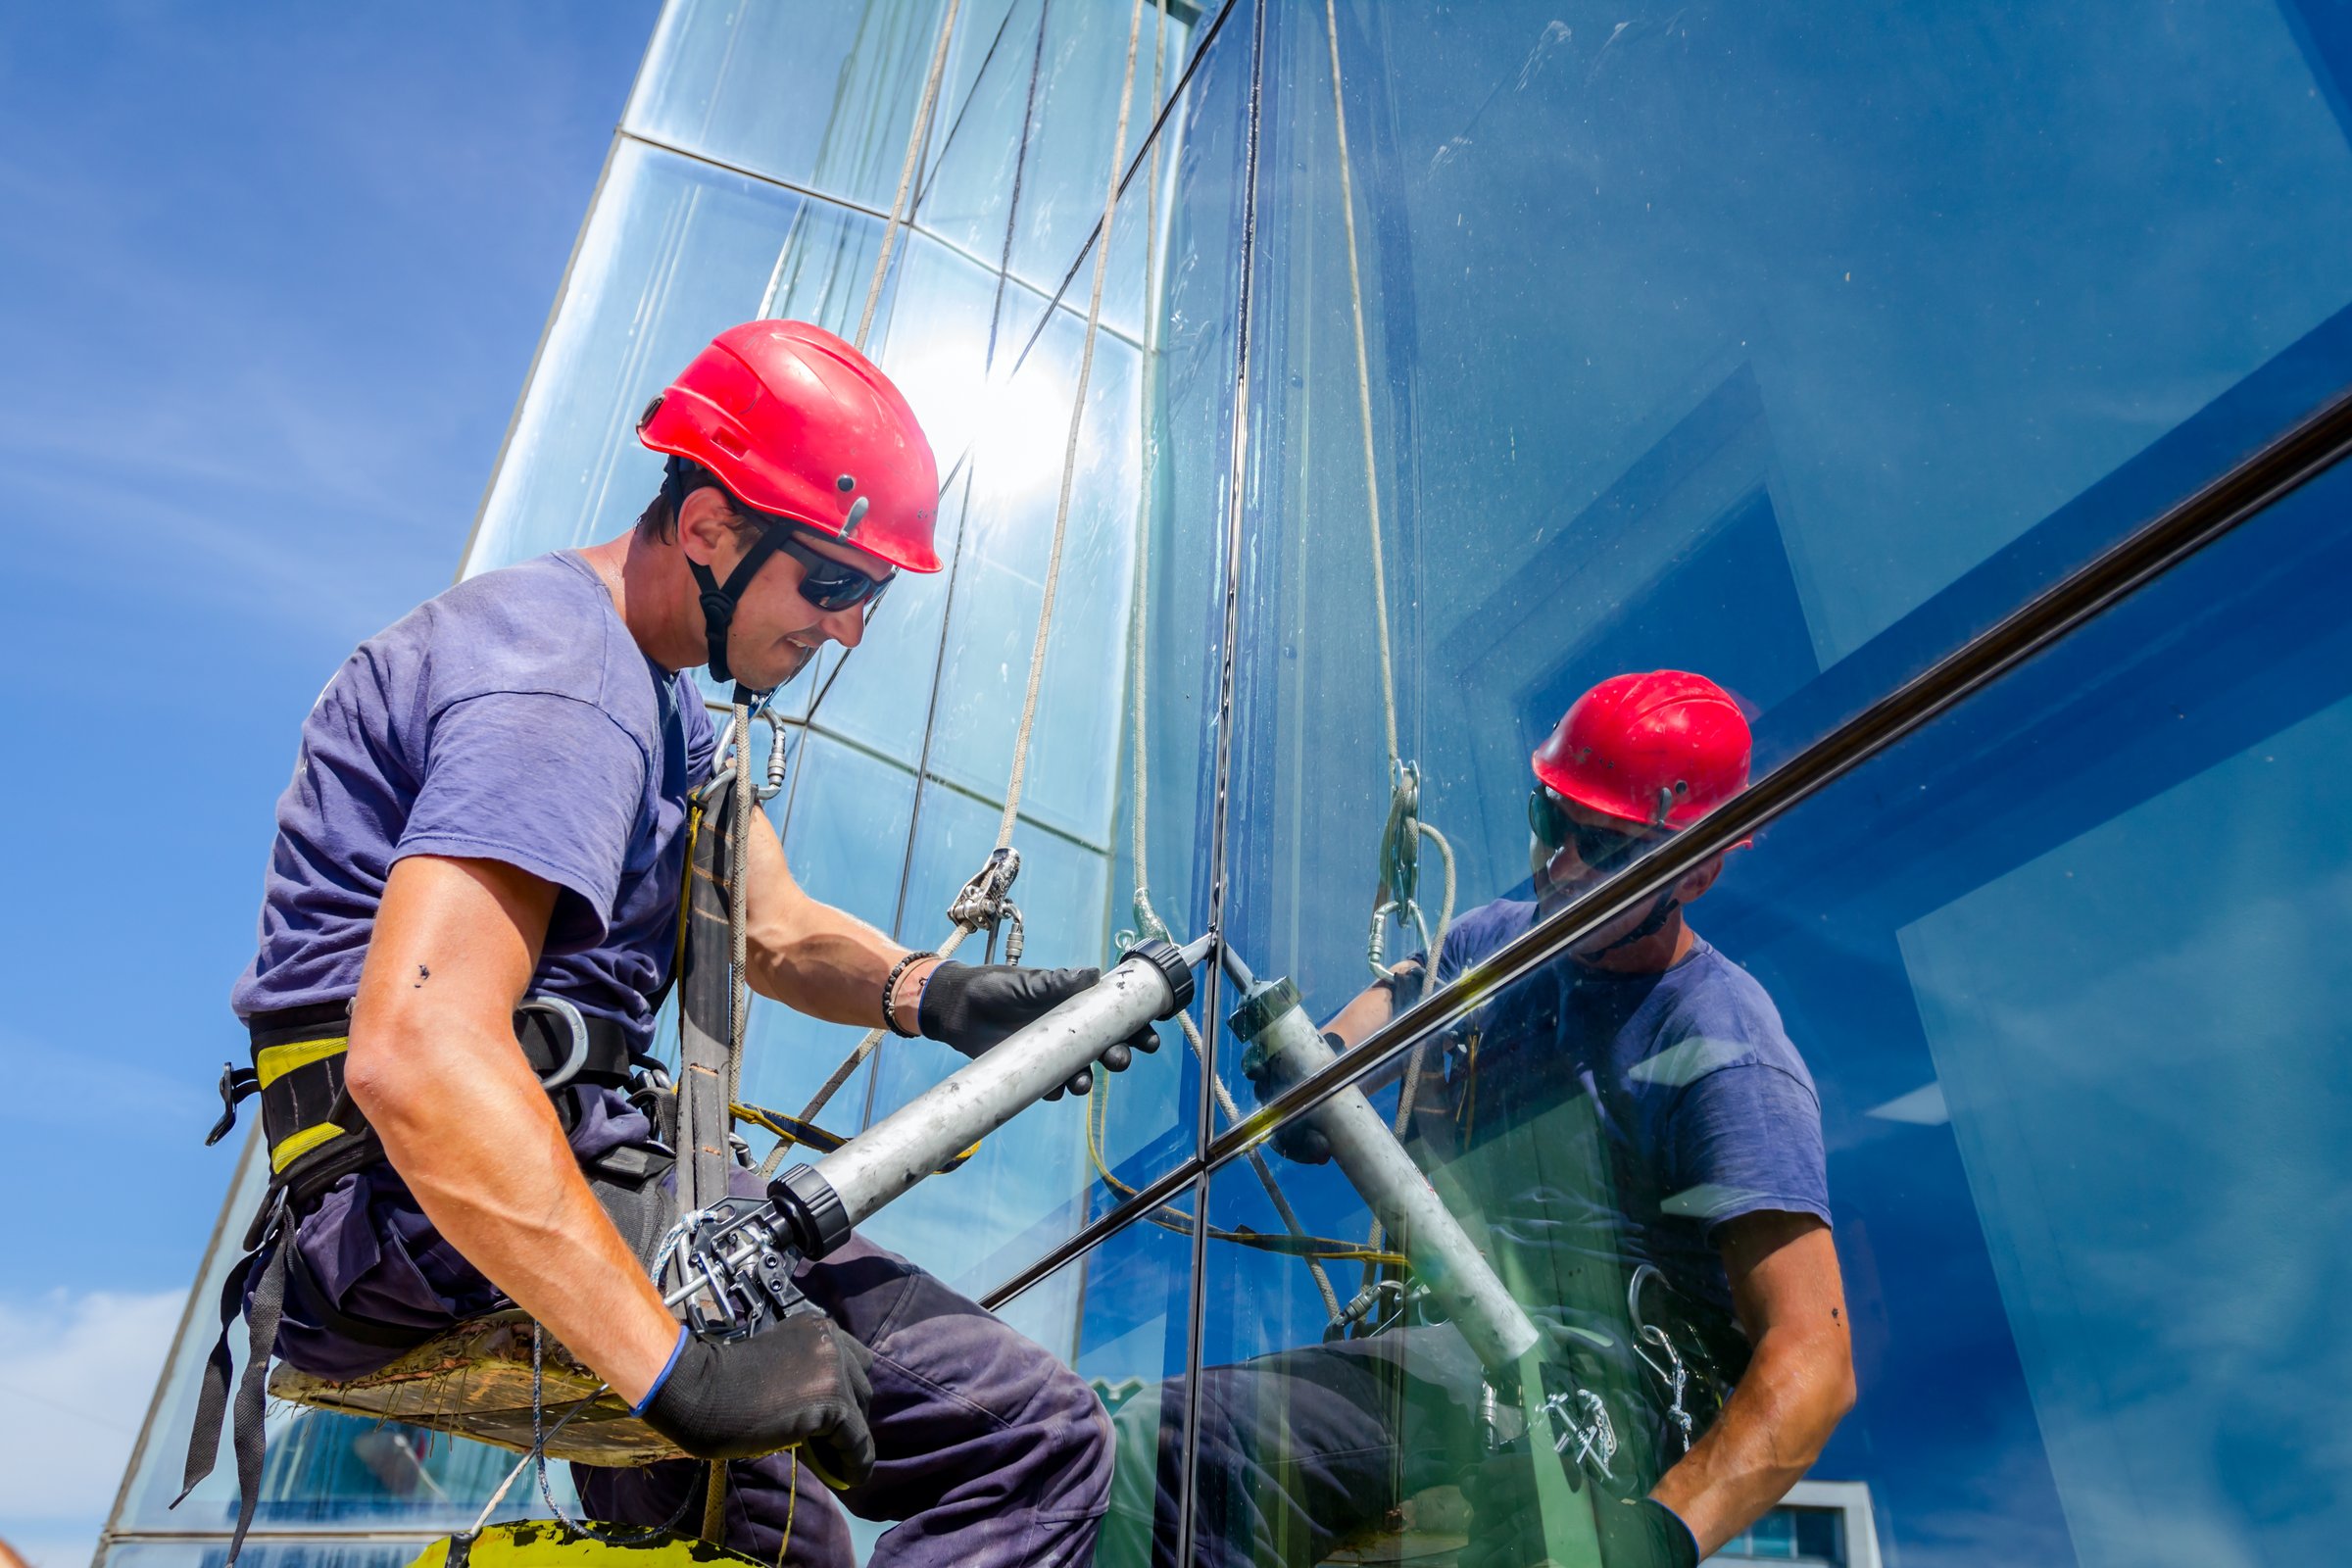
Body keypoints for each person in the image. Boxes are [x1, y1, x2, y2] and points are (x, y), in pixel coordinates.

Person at [195, 321, 1152, 1568]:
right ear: (707, 527)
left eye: (871, 595)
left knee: (775, 1543)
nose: (849, 631)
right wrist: (673, 1376)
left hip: (432, 1209)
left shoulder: (652, 702)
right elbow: (422, 1052)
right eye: (833, 583)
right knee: (1030, 1443)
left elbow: (772, 926)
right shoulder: (564, 683)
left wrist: (938, 991)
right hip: (434, 1199)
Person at [1141, 671, 1853, 1568]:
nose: (1559, 866)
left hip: (1586, 1407)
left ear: (1698, 869)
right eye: (1551, 820)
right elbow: (1370, 1022)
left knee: (1186, 1450)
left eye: (1603, 847)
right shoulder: (1494, 943)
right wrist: (1311, 1072)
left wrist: (1659, 1535)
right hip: (1452, 1361)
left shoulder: (1720, 1040)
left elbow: (1813, 1355)